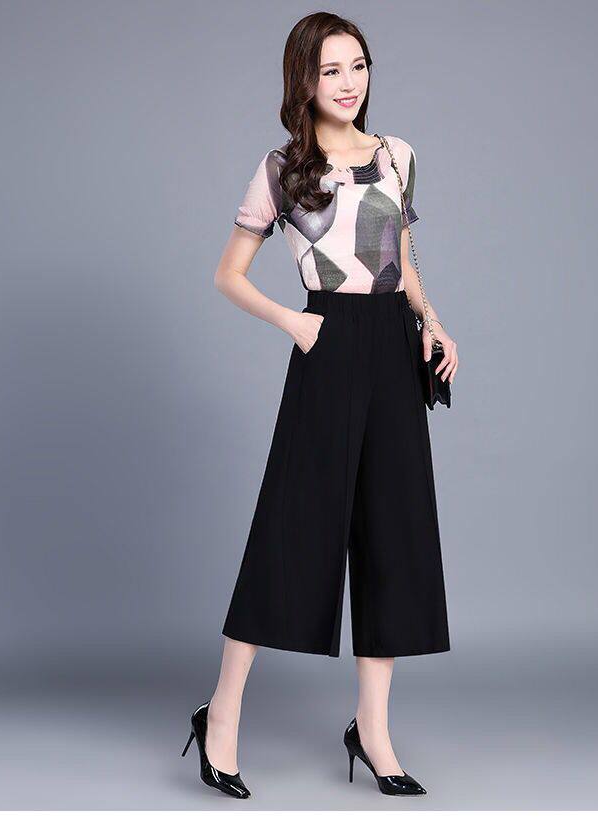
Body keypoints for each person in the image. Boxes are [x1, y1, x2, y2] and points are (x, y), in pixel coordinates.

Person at [180, 11, 459, 799]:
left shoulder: (397, 155)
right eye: (331, 69)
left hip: (394, 349)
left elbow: (402, 263)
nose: (348, 82)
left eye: (358, 66)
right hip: (326, 343)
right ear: (303, 79)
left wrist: (434, 324)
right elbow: (228, 275)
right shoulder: (282, 168)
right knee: (290, 530)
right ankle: (222, 713)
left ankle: (373, 731)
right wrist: (294, 322)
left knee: (393, 534)